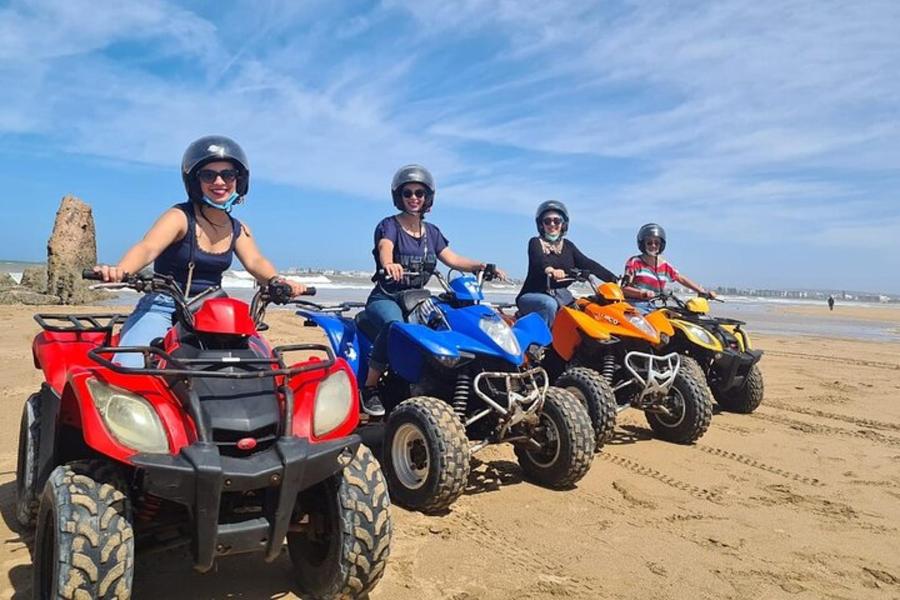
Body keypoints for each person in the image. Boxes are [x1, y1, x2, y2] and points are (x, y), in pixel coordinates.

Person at [93, 135, 305, 366]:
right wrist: (121, 270)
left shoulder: (238, 228)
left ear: (239, 180)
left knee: (261, 365)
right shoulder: (179, 217)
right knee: (130, 366)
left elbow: (255, 261)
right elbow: (148, 248)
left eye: (228, 174)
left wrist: (277, 281)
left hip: (213, 311)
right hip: (163, 307)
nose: (219, 181)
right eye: (208, 175)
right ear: (195, 181)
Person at [360, 164, 506, 416]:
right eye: (407, 193)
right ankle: (370, 388)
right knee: (394, 326)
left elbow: (452, 258)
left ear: (427, 197)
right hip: (386, 296)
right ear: (399, 196)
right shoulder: (389, 225)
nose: (414, 198)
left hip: (417, 299)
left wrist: (481, 266)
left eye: (419, 193)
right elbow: (385, 247)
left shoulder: (432, 232)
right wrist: (389, 264)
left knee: (447, 324)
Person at [516, 200, 616, 327]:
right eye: (547, 221)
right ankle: (543, 339)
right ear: (541, 225)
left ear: (563, 224)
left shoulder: (568, 246)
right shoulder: (536, 242)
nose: (552, 224)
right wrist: (551, 270)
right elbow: (539, 260)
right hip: (534, 295)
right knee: (548, 304)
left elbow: (588, 263)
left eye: (557, 221)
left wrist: (613, 279)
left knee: (586, 307)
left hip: (560, 295)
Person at [622, 223, 716, 313]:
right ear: (643, 244)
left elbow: (681, 278)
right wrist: (642, 293)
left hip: (652, 306)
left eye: (657, 243)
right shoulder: (635, 262)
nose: (653, 246)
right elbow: (624, 288)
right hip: (635, 306)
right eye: (649, 243)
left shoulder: (665, 266)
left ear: (661, 245)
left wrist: (703, 292)